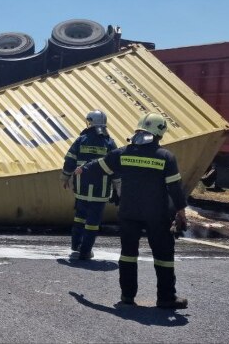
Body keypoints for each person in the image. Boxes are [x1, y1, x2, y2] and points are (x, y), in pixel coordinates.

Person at [75, 112, 189, 309]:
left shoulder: (123, 153)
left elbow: (98, 166)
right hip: (157, 215)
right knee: (163, 256)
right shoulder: (166, 157)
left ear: (138, 130)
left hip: (129, 213)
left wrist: (81, 170)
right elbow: (175, 189)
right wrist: (181, 212)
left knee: (128, 254)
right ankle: (166, 298)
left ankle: (127, 296)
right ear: (160, 133)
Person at [60, 110, 117, 260]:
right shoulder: (109, 142)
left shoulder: (81, 140)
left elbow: (70, 160)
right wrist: (119, 187)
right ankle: (86, 251)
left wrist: (65, 177)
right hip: (101, 189)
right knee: (93, 221)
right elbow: (117, 165)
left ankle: (76, 245)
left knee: (80, 217)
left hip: (82, 188)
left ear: (90, 122)